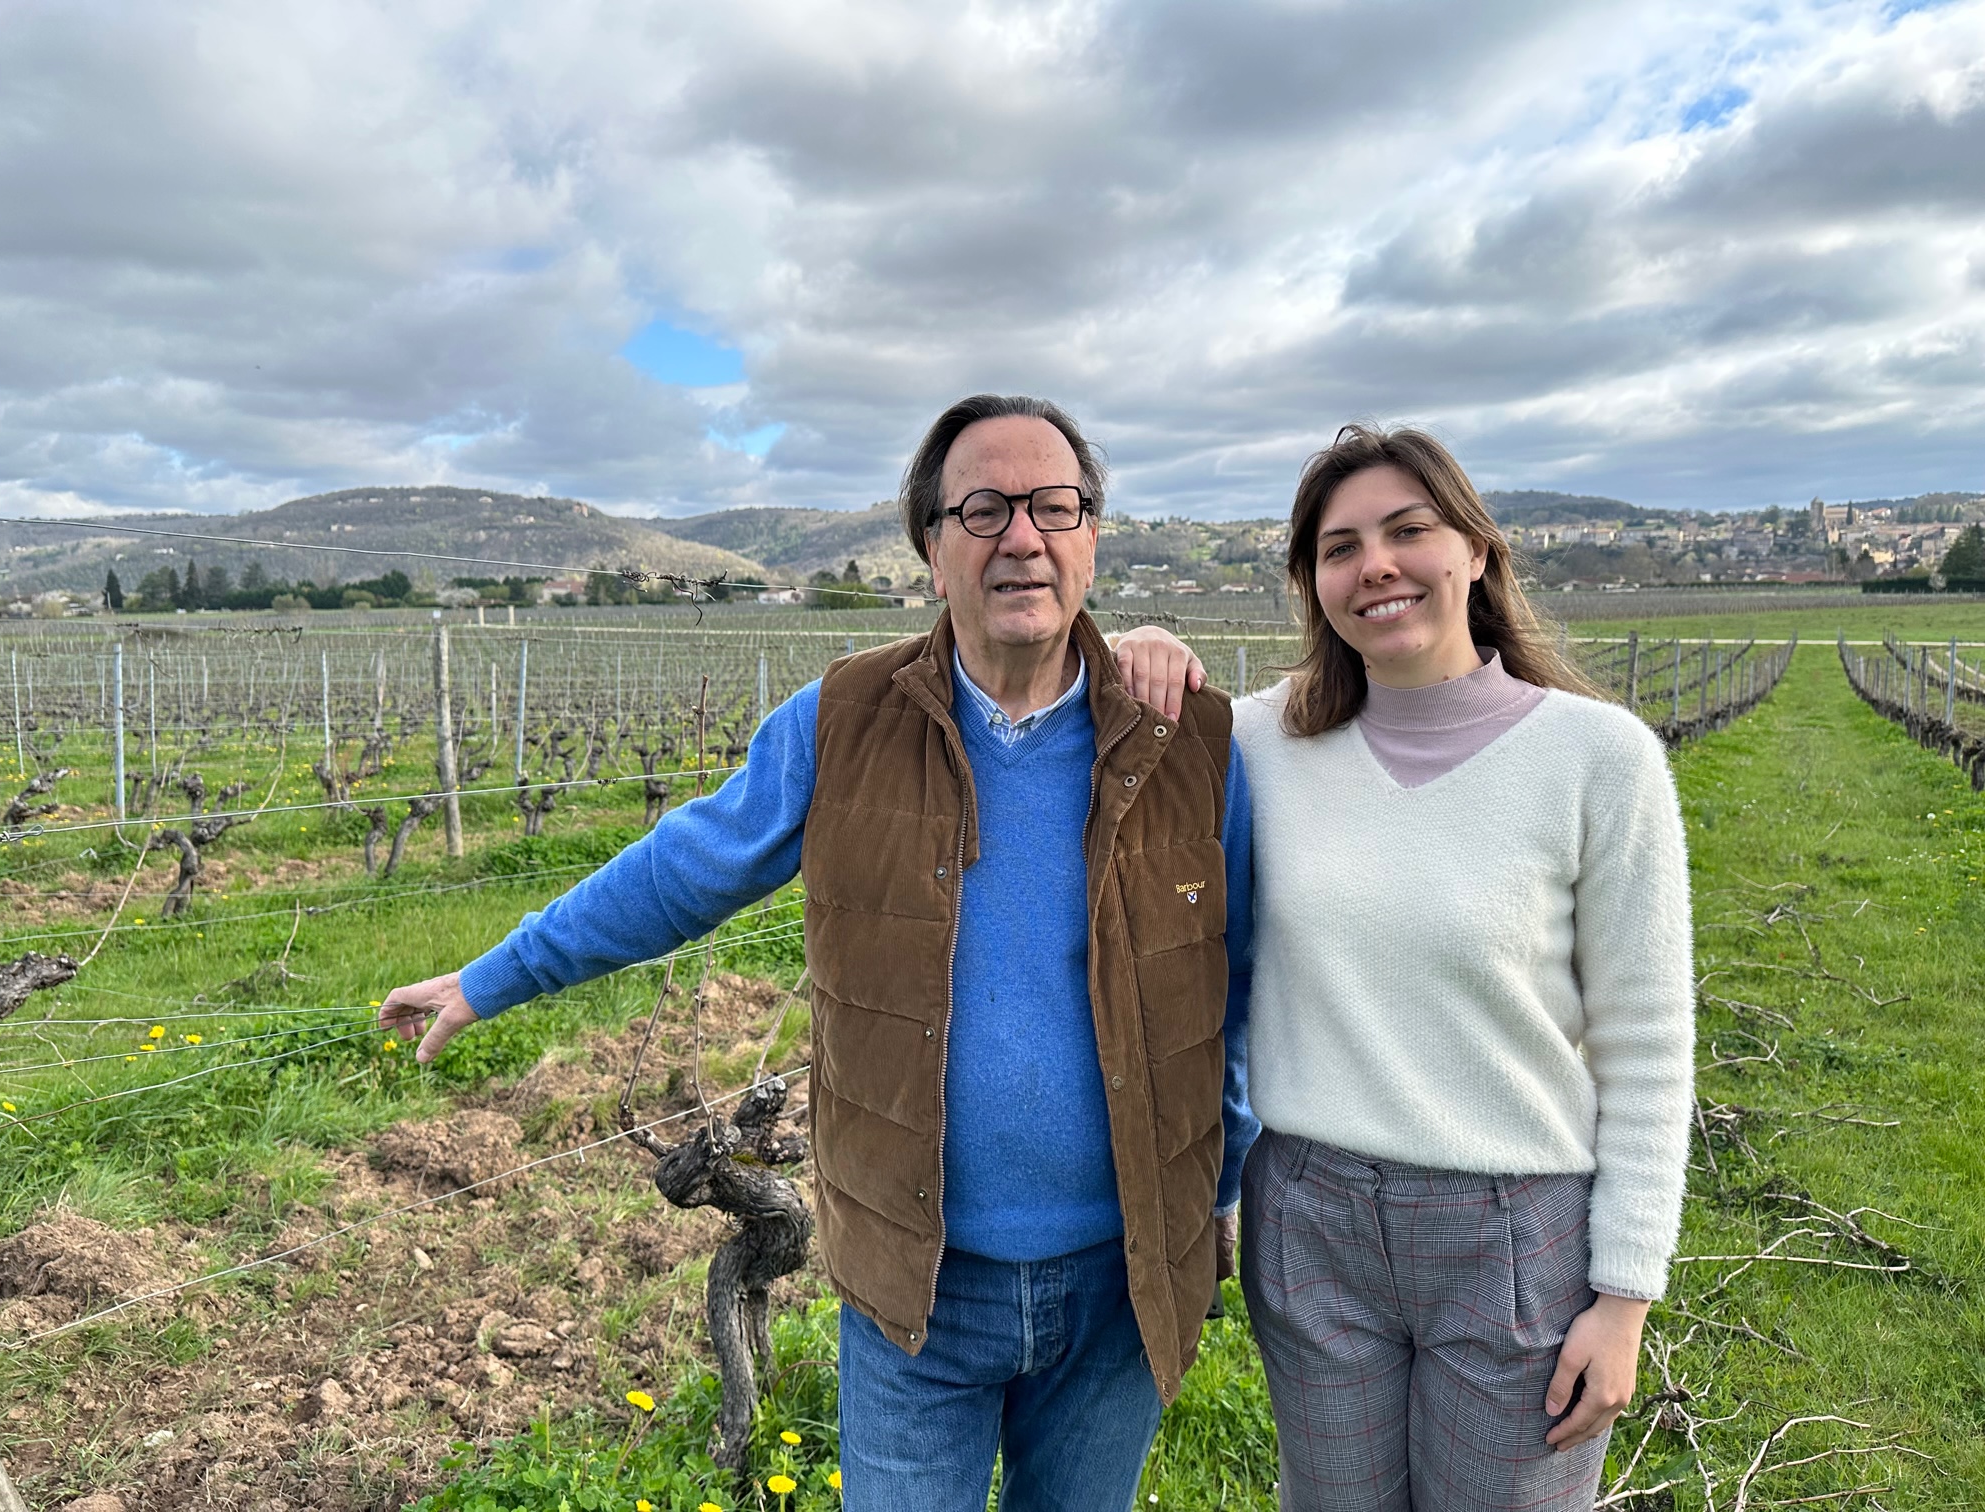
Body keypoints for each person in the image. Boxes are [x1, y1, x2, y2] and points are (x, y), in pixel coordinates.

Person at [379, 394, 1258, 1512]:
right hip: (914, 1288)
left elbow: (1234, 995)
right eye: (982, 510)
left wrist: (1218, 1190)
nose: (1021, 538)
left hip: (1123, 1282)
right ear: (931, 551)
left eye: (1054, 506)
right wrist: (496, 975)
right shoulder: (842, 721)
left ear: (1092, 536)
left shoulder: (1192, 742)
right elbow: (682, 870)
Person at [1117, 424, 1693, 1510]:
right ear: (1314, 585)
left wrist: (1625, 1298)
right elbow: (1112, 728)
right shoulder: (1256, 746)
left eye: (1407, 531)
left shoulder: (1599, 760)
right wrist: (1137, 646)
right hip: (1308, 1221)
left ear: (1476, 550)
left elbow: (1649, 1044)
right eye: (1340, 548)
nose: (1375, 565)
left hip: (1514, 1232)